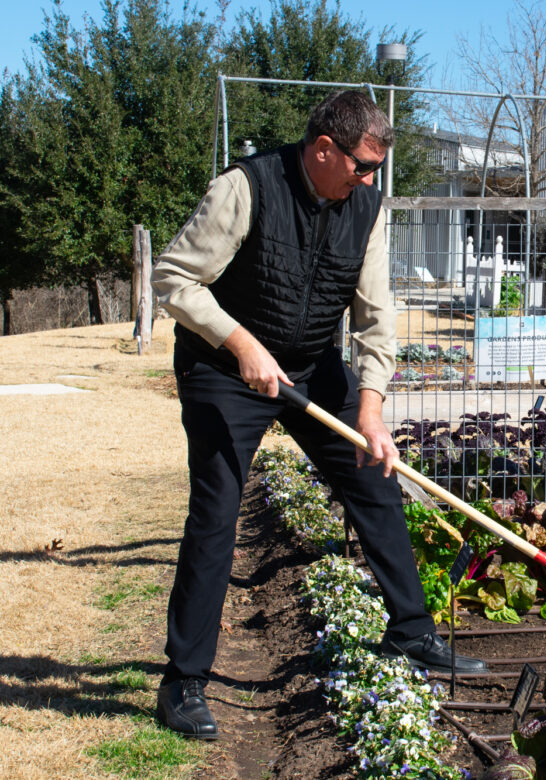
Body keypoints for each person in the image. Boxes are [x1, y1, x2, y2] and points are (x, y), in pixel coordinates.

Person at [152, 90, 486, 740]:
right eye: (361, 166)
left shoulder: (366, 208)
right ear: (324, 149)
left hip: (308, 366)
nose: (368, 180)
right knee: (218, 514)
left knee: (373, 480)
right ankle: (183, 682)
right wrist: (240, 343)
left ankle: (411, 634)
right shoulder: (245, 189)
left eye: (375, 171)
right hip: (224, 370)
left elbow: (375, 314)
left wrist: (371, 408)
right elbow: (173, 279)